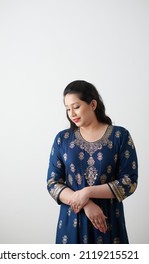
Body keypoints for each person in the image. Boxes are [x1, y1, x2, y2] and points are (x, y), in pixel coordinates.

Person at [47, 80, 138, 244]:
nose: (71, 113)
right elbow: (53, 183)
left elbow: (129, 182)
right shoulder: (63, 139)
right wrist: (86, 203)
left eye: (76, 107)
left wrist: (88, 191)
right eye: (68, 109)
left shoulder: (120, 136)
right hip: (71, 222)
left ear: (93, 104)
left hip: (108, 222)